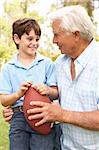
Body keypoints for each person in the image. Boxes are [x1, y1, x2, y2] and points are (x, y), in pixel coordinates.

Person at [25, 5, 99, 149]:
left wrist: (62, 115)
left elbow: (60, 114)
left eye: (56, 34)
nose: (53, 41)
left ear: (76, 35)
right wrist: (18, 109)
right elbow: (53, 94)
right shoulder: (60, 63)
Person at [0, 18, 61, 150]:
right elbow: (3, 100)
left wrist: (47, 90)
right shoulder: (8, 68)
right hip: (18, 117)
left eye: (37, 39)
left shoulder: (46, 64)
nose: (34, 43)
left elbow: (55, 93)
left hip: (41, 115)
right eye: (30, 39)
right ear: (17, 39)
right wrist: (18, 94)